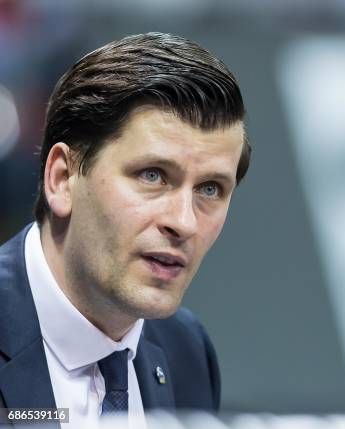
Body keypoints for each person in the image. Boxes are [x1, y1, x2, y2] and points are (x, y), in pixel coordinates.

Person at [0, 32, 250, 428]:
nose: (184, 222)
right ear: (63, 179)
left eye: (209, 189)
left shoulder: (186, 349)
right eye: (152, 175)